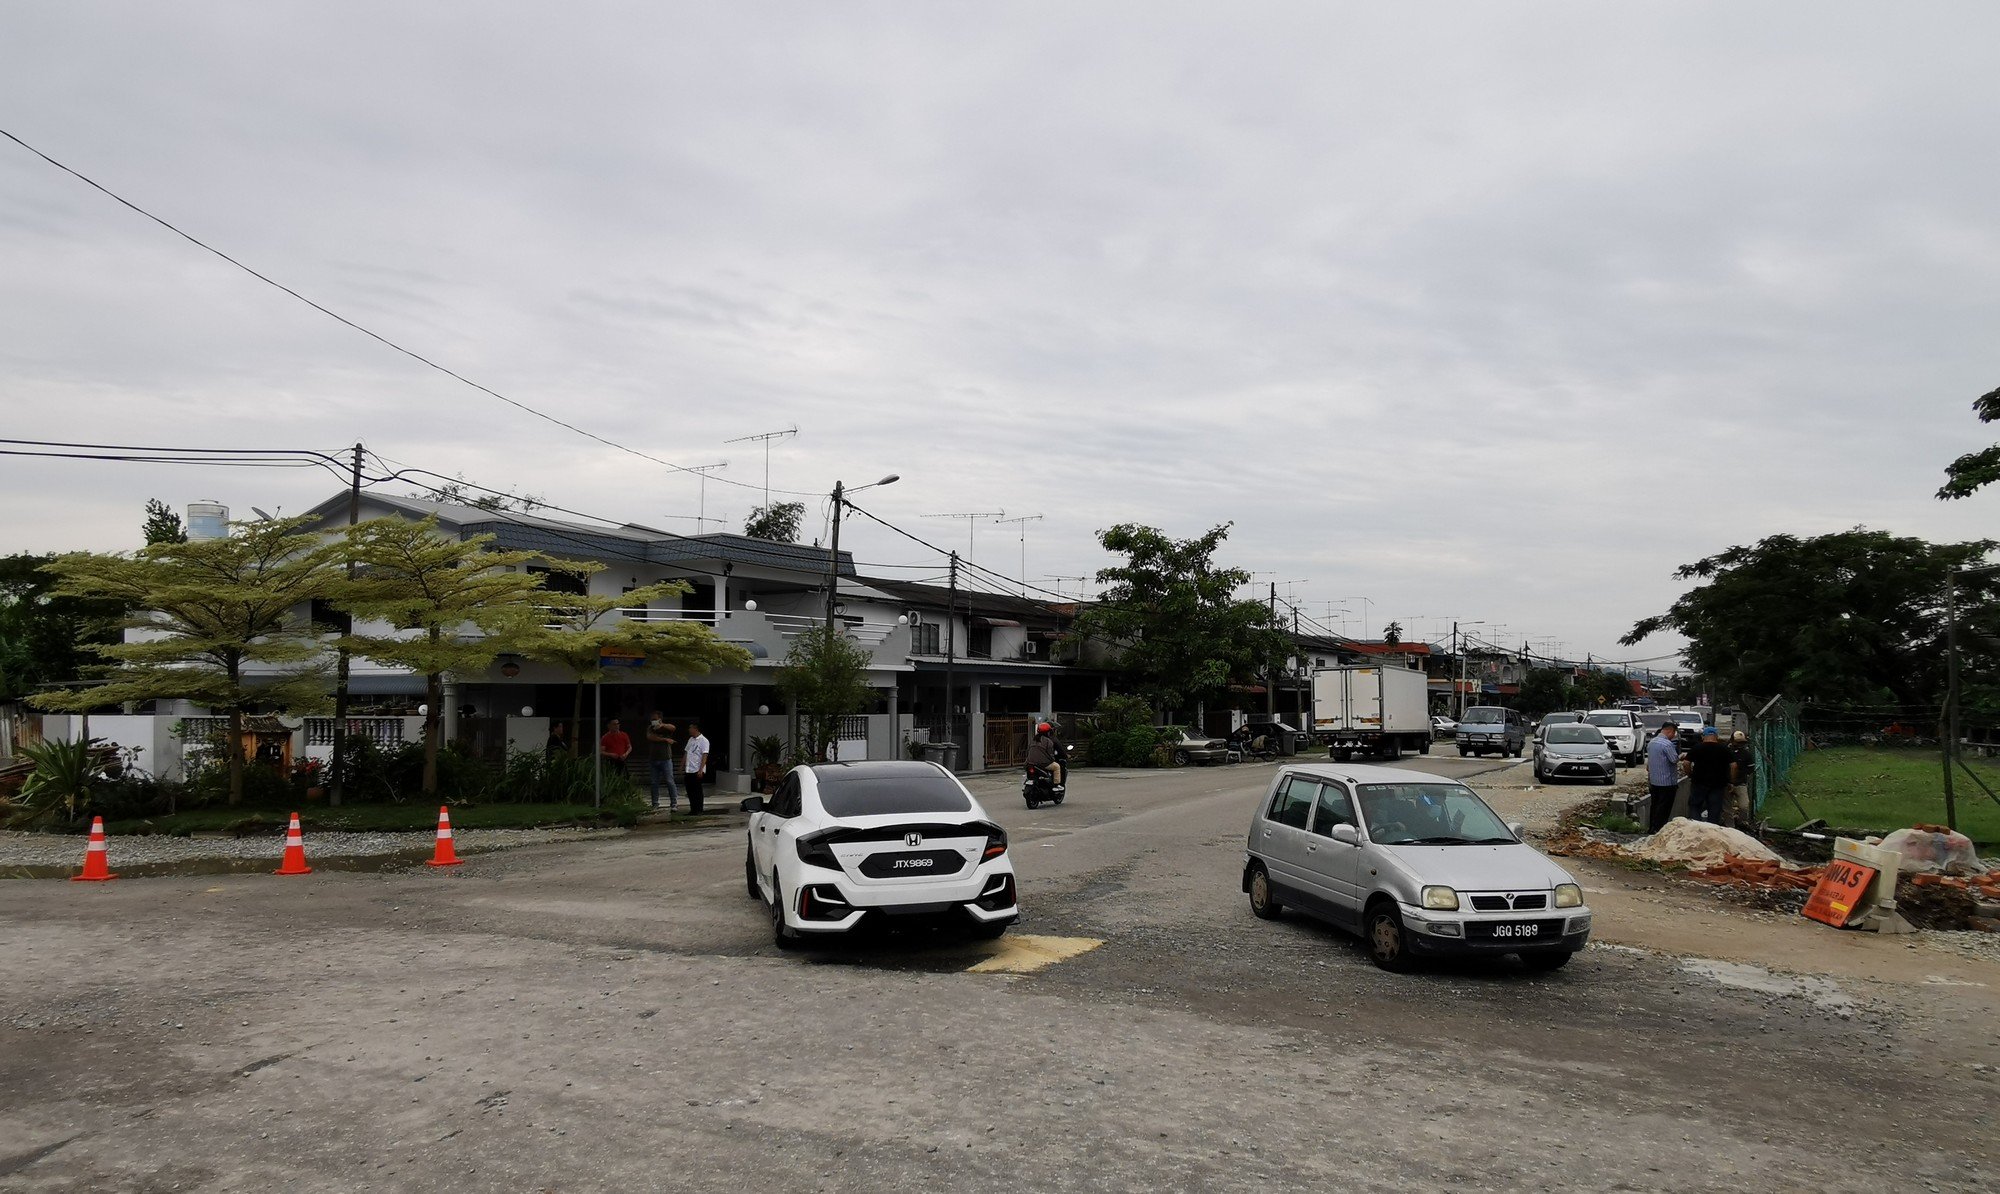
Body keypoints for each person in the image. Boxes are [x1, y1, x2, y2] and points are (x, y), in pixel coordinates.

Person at [1686, 726, 1736, 825]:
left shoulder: (1697, 748)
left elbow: (1686, 763)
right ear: (1716, 736)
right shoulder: (1724, 749)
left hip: (1699, 783)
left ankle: (1696, 827)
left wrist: (1690, 774)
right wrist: (1731, 780)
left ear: (1703, 736)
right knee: (1714, 809)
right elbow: (1734, 766)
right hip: (1718, 784)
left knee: (1695, 806)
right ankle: (1711, 830)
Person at [1644, 719, 1681, 832]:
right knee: (1664, 808)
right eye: (1674, 733)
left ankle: (1652, 828)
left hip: (1655, 781)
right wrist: (1682, 756)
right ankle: (1659, 829)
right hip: (1667, 782)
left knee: (1655, 806)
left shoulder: (1652, 742)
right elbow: (1674, 759)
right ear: (1670, 731)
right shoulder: (1667, 744)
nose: (1674, 736)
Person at [645, 712, 680, 813]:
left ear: (660, 719)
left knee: (669, 781)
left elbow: (673, 728)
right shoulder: (650, 728)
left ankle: (674, 803)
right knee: (654, 782)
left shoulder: (666, 728)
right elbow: (650, 737)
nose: (653, 721)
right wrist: (665, 739)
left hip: (666, 759)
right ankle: (655, 803)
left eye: (655, 719)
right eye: (652, 719)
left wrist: (662, 725)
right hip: (653, 759)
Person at [1727, 730, 1758, 829]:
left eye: (1742, 743)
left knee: (1744, 806)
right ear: (1732, 741)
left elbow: (1750, 768)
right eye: (1738, 742)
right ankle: (1729, 826)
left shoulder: (1746, 754)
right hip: (1726, 783)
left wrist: (1742, 774)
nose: (1740, 745)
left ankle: (1741, 822)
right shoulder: (1726, 751)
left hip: (1740, 783)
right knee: (1726, 807)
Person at [683, 721, 711, 815]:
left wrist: (701, 769)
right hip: (689, 769)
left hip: (696, 769)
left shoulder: (704, 741)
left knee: (697, 790)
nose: (689, 730)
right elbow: (686, 753)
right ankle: (693, 809)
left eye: (691, 728)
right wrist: (682, 765)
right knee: (690, 790)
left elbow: (704, 755)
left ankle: (699, 809)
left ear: (695, 729)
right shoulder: (690, 740)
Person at [1025, 721, 1063, 789]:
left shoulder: (1033, 740)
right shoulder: (1048, 741)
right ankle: (1056, 785)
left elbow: (1027, 751)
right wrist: (1053, 760)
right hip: (1043, 764)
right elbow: (1050, 754)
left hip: (1030, 763)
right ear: (1048, 732)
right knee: (1057, 766)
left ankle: (1030, 779)